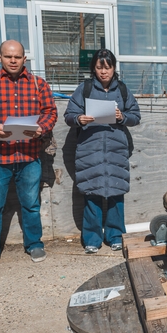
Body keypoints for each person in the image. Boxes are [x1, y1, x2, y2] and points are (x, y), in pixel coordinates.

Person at [0, 40, 57, 271]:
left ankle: (34, 244)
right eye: (8, 57)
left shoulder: (38, 84)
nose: (13, 61)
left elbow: (50, 112)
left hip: (28, 157)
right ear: (0, 57)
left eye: (17, 57)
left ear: (25, 59)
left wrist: (42, 128)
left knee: (31, 206)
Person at [64, 49, 140, 254]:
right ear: (93, 69)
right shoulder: (85, 89)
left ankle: (115, 236)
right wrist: (80, 119)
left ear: (114, 68)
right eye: (99, 67)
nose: (103, 72)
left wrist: (121, 116)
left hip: (116, 151)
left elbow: (136, 116)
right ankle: (92, 239)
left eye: (107, 67)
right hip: (90, 150)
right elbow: (69, 115)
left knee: (116, 194)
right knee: (92, 194)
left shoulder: (123, 90)